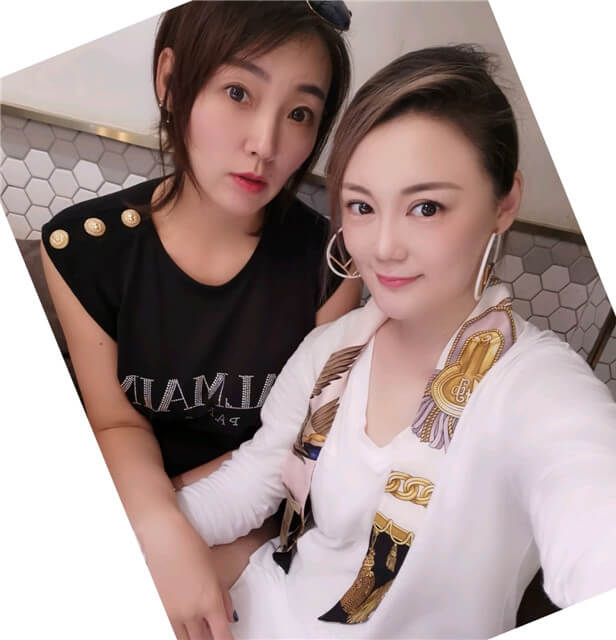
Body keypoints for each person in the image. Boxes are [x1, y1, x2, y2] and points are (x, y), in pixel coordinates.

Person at [175, 45, 616, 638]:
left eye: (426, 207)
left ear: (504, 203)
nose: (384, 246)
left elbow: (606, 535)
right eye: (362, 206)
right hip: (265, 604)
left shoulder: (536, 388)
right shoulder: (334, 350)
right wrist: (146, 533)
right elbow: (255, 481)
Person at [40, 2, 360, 638]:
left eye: (299, 113)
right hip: (131, 504)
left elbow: (300, 447)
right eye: (238, 92)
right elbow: (115, 421)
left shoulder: (330, 264)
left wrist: (201, 546)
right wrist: (161, 529)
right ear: (171, 79)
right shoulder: (84, 249)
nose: (265, 144)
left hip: (259, 527)